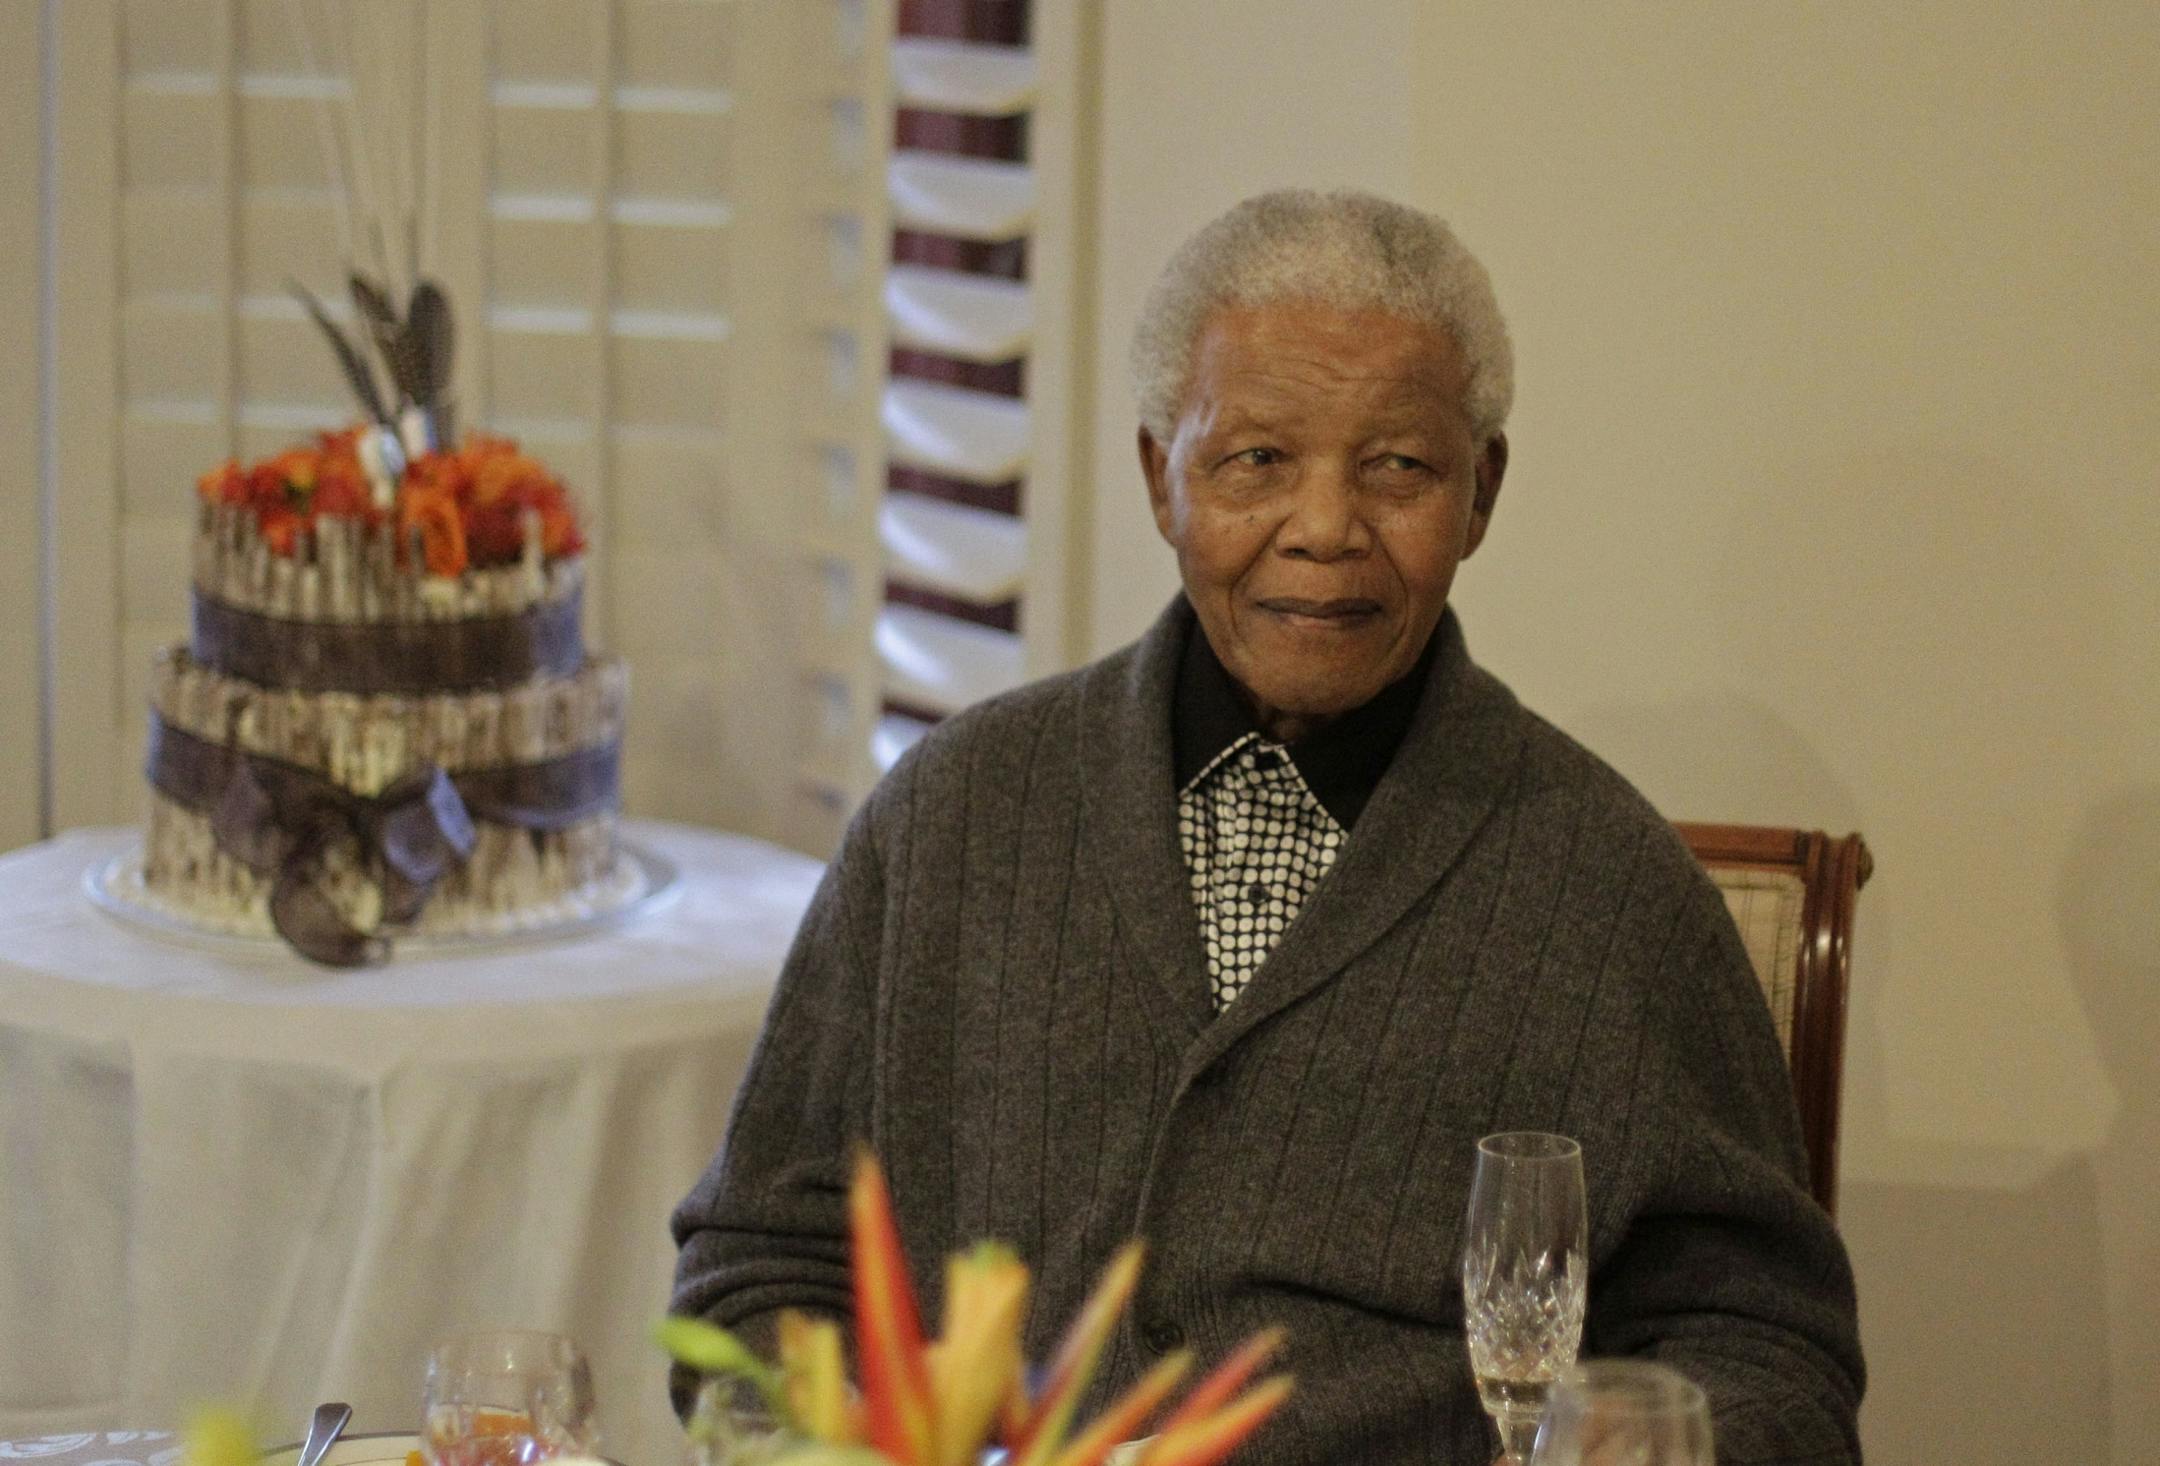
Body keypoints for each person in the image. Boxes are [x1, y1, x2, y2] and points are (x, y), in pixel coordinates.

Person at [671, 189, 1864, 1466]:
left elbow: (1771, 1353)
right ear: (1160, 479)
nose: (1325, 527)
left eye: (1398, 465)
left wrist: (1649, 1436)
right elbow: (761, 1263)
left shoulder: (1610, 885)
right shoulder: (953, 814)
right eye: (1256, 460)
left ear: (1481, 493)